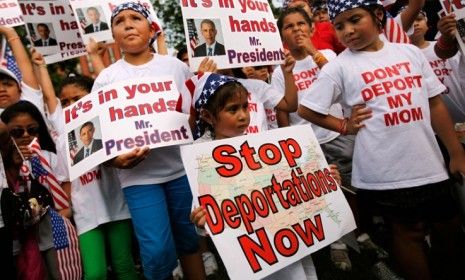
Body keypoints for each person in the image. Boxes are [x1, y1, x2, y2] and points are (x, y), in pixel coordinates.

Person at [297, 0, 465, 279]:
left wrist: (455, 151)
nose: (347, 31)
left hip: (429, 163)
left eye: (354, 20)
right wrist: (343, 125)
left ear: (377, 16)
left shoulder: (409, 53)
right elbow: (307, 109)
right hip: (385, 170)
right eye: (339, 26)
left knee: (449, 225)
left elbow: (434, 103)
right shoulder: (338, 67)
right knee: (409, 233)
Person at [187, 72, 343, 280]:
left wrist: (323, 179)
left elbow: (293, 183)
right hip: (253, 249)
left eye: (245, 107)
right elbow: (203, 209)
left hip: (286, 237)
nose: (243, 115)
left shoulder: (262, 146)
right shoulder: (202, 155)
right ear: (207, 116)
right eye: (232, 109)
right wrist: (201, 220)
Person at [92, 3, 207, 279]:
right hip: (138, 179)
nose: (128, 24)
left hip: (180, 171)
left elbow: (194, 117)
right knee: (155, 253)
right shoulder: (105, 80)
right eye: (120, 21)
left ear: (151, 28)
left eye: (135, 18)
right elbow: (97, 139)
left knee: (189, 240)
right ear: (113, 34)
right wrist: (115, 160)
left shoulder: (176, 67)